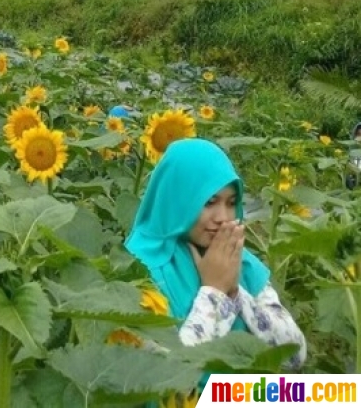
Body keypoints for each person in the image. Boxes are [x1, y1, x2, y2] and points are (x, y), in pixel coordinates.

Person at [125, 138, 306, 376]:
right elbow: (168, 379)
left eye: (231, 203)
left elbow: (294, 355)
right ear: (178, 198)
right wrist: (214, 293)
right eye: (209, 202)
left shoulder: (238, 259)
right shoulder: (137, 268)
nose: (223, 217)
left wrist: (235, 291)